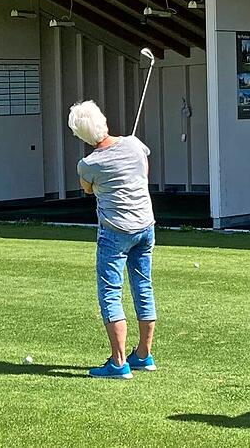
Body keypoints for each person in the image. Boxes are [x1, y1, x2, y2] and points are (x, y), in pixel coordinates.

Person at [69, 100, 158, 379]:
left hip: (115, 232)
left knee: (110, 293)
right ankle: (143, 354)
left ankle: (119, 363)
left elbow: (87, 190)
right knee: (142, 287)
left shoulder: (88, 164)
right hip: (145, 225)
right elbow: (144, 170)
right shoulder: (134, 144)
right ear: (103, 121)